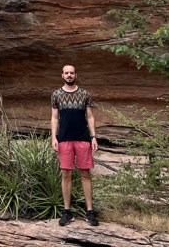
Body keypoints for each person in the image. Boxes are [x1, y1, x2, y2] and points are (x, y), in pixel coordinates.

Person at [51, 64, 98, 226]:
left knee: (85, 173)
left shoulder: (85, 94)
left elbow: (90, 117)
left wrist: (93, 137)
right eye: (66, 73)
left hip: (83, 138)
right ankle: (67, 211)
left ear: (75, 75)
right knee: (66, 173)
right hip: (64, 138)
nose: (69, 75)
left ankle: (90, 212)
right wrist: (53, 137)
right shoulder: (56, 94)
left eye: (72, 73)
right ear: (62, 75)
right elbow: (54, 118)